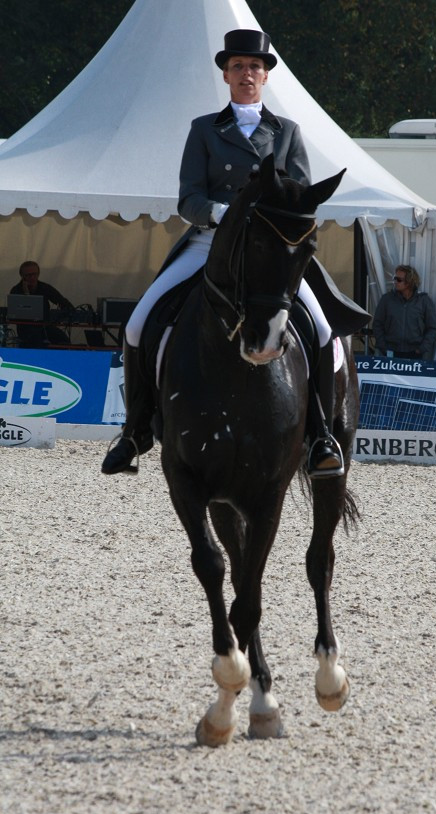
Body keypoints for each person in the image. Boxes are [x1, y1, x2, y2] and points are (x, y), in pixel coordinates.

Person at [102, 29, 368, 478]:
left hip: (271, 253)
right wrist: (223, 214)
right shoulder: (204, 129)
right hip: (212, 243)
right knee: (137, 322)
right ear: (226, 75)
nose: (247, 74)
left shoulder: (287, 133)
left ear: (266, 77)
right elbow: (189, 199)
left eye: (255, 68)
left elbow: (301, 196)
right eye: (239, 67)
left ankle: (321, 432)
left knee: (323, 331)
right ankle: (134, 432)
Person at [372, 265, 436, 359]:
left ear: (409, 283)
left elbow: (433, 328)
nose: (395, 282)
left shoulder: (424, 301)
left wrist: (422, 348)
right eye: (394, 278)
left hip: (416, 354)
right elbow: (377, 324)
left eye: (399, 280)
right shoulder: (387, 299)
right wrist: (383, 347)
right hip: (390, 352)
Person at [9, 260, 73, 348]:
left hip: (45, 327)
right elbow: (14, 314)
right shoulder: (16, 290)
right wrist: (26, 293)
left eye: (35, 274)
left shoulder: (44, 288)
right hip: (26, 329)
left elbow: (63, 302)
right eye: (28, 275)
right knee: (35, 340)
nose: (32, 277)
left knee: (64, 340)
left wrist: (60, 314)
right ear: (22, 276)